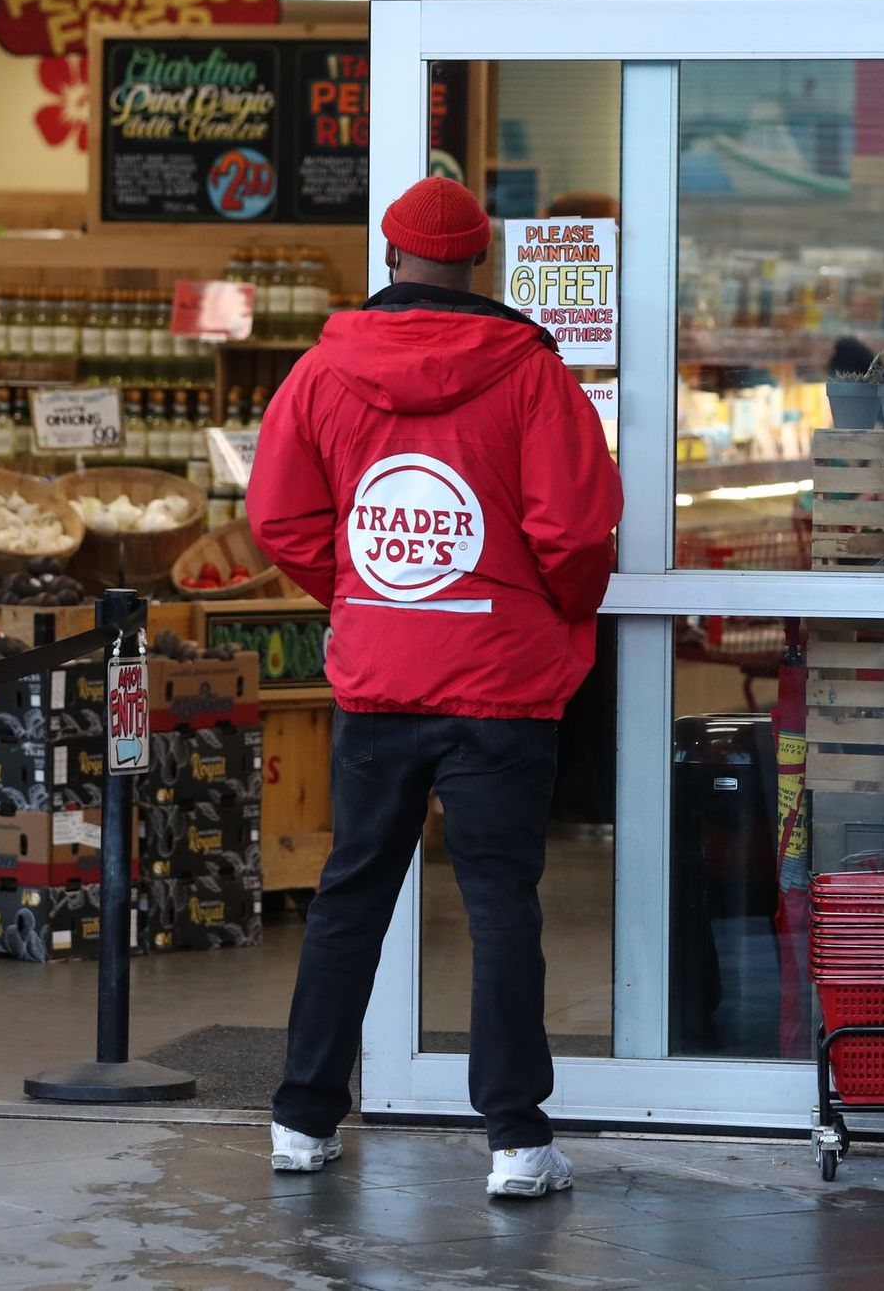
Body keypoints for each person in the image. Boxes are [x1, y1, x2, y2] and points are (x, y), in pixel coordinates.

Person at [249, 176, 623, 1198]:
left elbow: (278, 520)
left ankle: (301, 1120)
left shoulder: (324, 372)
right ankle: (515, 1141)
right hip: (502, 686)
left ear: (391, 252)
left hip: (379, 682)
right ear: (479, 261)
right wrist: (552, 612)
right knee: (503, 905)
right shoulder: (533, 374)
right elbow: (578, 532)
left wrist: (366, 596)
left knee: (349, 894)